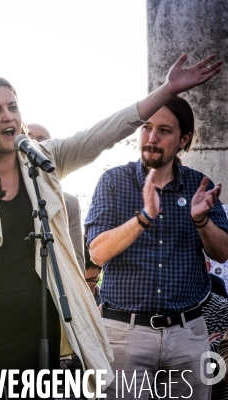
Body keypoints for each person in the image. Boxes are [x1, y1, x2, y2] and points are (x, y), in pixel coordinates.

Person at [0, 5, 223, 398]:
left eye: (13, 106)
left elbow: (103, 133)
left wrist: (166, 91)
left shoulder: (42, 161)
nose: (8, 115)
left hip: (35, 332)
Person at [85, 94, 228, 399]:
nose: (151, 138)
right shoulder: (113, 182)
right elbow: (97, 252)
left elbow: (222, 252)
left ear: (183, 140)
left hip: (188, 334)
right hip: (123, 335)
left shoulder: (198, 185)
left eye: (164, 131)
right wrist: (144, 217)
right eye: (147, 127)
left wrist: (202, 222)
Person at [26, 123, 85, 273]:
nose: (35, 142)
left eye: (42, 139)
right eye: (29, 136)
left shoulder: (70, 203)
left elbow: (76, 257)